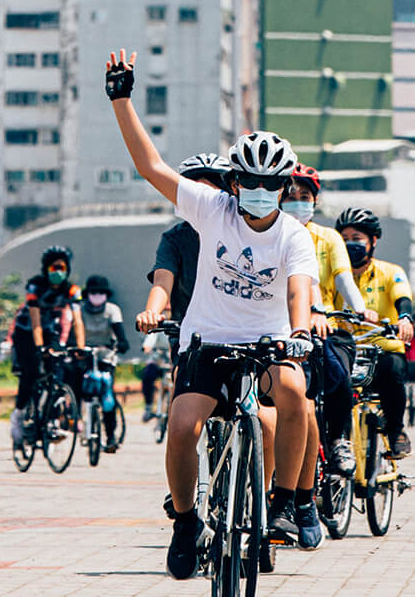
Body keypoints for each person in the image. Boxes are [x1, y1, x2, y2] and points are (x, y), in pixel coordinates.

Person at [109, 49, 329, 577]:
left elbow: (301, 290)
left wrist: (299, 331)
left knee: (296, 393)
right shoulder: (211, 210)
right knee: (182, 426)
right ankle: (186, 522)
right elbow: (150, 167)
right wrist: (121, 99)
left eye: (270, 185)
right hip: (207, 339)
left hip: (271, 342)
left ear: (284, 188)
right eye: (248, 182)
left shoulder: (294, 236)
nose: (258, 193)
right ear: (233, 183)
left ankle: (287, 502)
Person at [282, 164, 371, 496]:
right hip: (282, 326)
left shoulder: (328, 238)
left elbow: (340, 280)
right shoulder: (271, 233)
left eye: (304, 197)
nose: (296, 202)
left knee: (336, 372)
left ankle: (338, 441)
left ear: (314, 202)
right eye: (290, 196)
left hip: (325, 326)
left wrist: (360, 308)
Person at [138, 152, 232, 417]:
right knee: (185, 405)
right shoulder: (175, 239)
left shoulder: (240, 232)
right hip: (191, 337)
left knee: (263, 415)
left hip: (240, 331)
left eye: (213, 193)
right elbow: (162, 281)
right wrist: (152, 312)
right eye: (196, 193)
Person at [332, 207, 415, 458]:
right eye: (344, 238)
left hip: (382, 348)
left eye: (357, 238)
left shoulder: (391, 272)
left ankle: (395, 430)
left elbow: (403, 298)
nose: (350, 244)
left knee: (393, 369)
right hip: (344, 347)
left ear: (373, 241)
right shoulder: (334, 275)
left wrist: (405, 319)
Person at [9, 246, 85, 445]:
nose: (58, 272)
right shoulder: (35, 286)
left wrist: (81, 347)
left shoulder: (72, 290)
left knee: (57, 370)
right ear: (46, 269)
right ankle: (18, 414)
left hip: (51, 330)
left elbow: (77, 320)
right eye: (54, 268)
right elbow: (35, 321)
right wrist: (40, 348)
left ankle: (51, 420)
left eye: (62, 267)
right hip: (27, 331)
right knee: (31, 371)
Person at [78, 274, 130, 452]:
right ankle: (74, 418)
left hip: (106, 355)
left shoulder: (112, 310)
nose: (97, 295)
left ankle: (110, 436)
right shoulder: (80, 309)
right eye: (94, 292)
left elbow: (119, 331)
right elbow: (73, 330)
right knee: (76, 384)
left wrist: (122, 343)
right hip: (83, 354)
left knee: (107, 394)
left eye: (101, 292)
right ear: (88, 294)